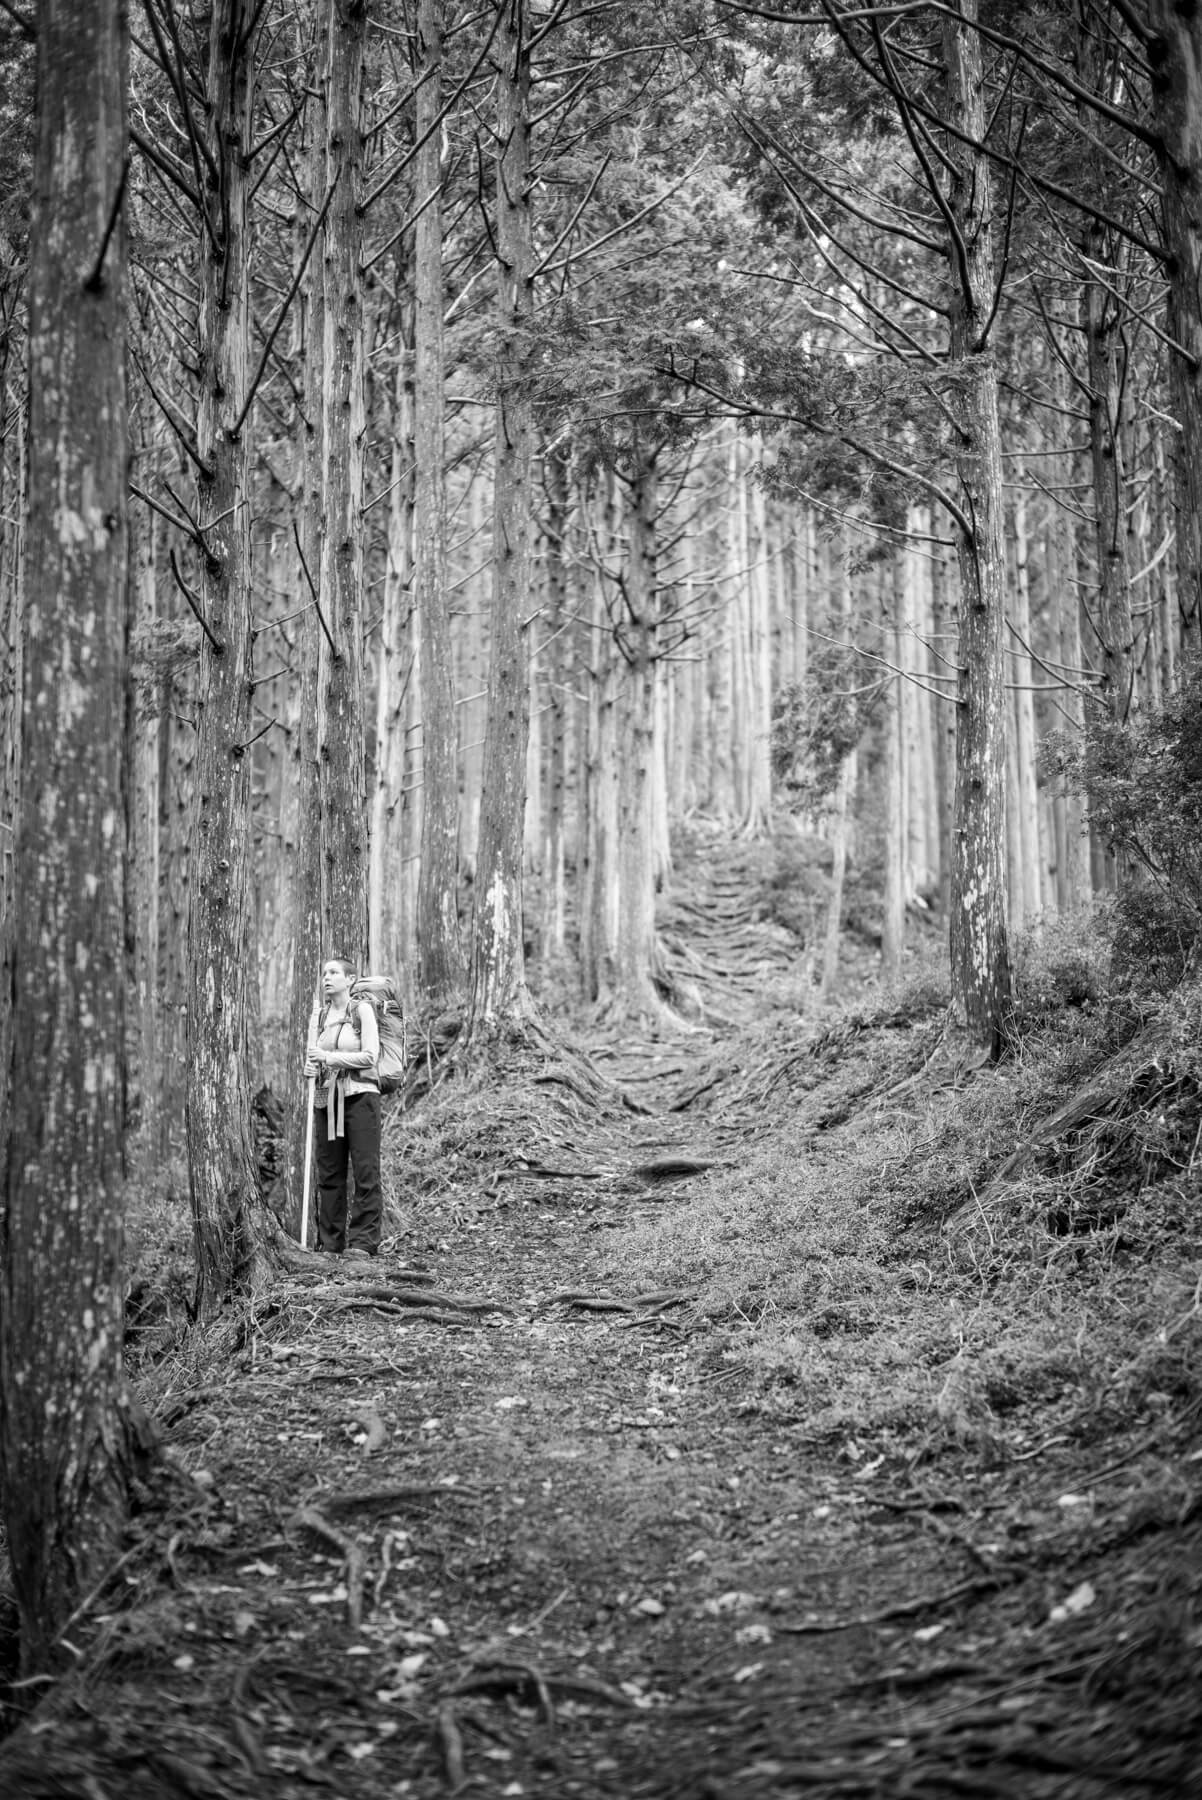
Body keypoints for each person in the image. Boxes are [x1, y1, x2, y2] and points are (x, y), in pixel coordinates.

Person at [304, 957, 383, 1259]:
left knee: (365, 1170)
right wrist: (312, 1067)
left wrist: (328, 1058)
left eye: (334, 972)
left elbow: (370, 1057)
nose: (327, 977)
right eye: (324, 972)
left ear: (350, 979)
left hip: (361, 1096)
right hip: (327, 1098)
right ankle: (330, 1243)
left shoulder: (361, 1010)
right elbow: (314, 1062)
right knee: (330, 1174)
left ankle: (363, 1243)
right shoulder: (320, 1016)